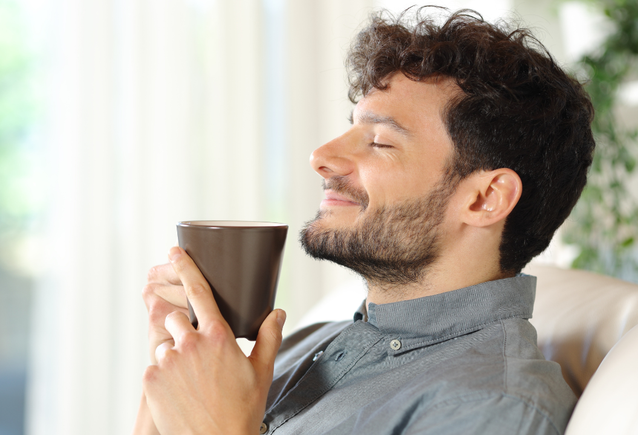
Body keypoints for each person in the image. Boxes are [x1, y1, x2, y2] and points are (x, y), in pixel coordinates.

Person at [134, 7, 595, 435]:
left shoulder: (493, 407)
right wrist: (168, 373)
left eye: (380, 141)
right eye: (351, 127)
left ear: (485, 199)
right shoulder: (314, 342)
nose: (321, 156)